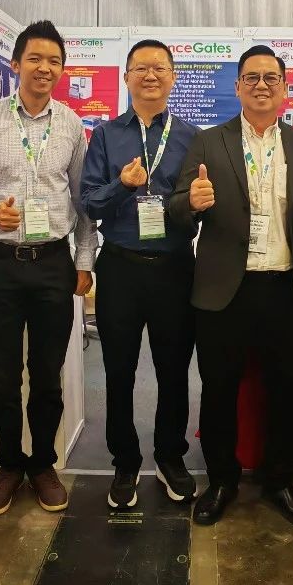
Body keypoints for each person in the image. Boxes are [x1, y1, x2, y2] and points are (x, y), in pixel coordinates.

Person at [169, 45, 293, 528]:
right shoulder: (208, 142)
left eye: (271, 78)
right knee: (219, 390)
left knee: (285, 390)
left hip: (285, 289)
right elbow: (176, 208)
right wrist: (192, 202)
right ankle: (221, 481)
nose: (262, 85)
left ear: (284, 89)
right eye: (252, 77)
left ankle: (280, 481)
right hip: (226, 290)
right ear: (238, 86)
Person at [0, 20, 97, 518]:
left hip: (53, 264)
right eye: (35, 58)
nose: (44, 68)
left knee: (48, 375)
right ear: (15, 64)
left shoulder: (71, 125)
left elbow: (84, 200)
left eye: (54, 61)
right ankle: (9, 465)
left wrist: (84, 261)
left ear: (62, 70)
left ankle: (43, 465)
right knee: (2, 376)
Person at [80, 39, 200, 510]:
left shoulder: (192, 137)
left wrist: (194, 203)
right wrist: (122, 185)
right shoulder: (105, 135)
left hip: (175, 269)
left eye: (160, 68)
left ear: (172, 77)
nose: (150, 75)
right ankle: (125, 461)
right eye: (141, 68)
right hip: (121, 268)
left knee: (174, 371)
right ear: (126, 77)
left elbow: (197, 204)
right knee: (119, 370)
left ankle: (170, 457)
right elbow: (89, 202)